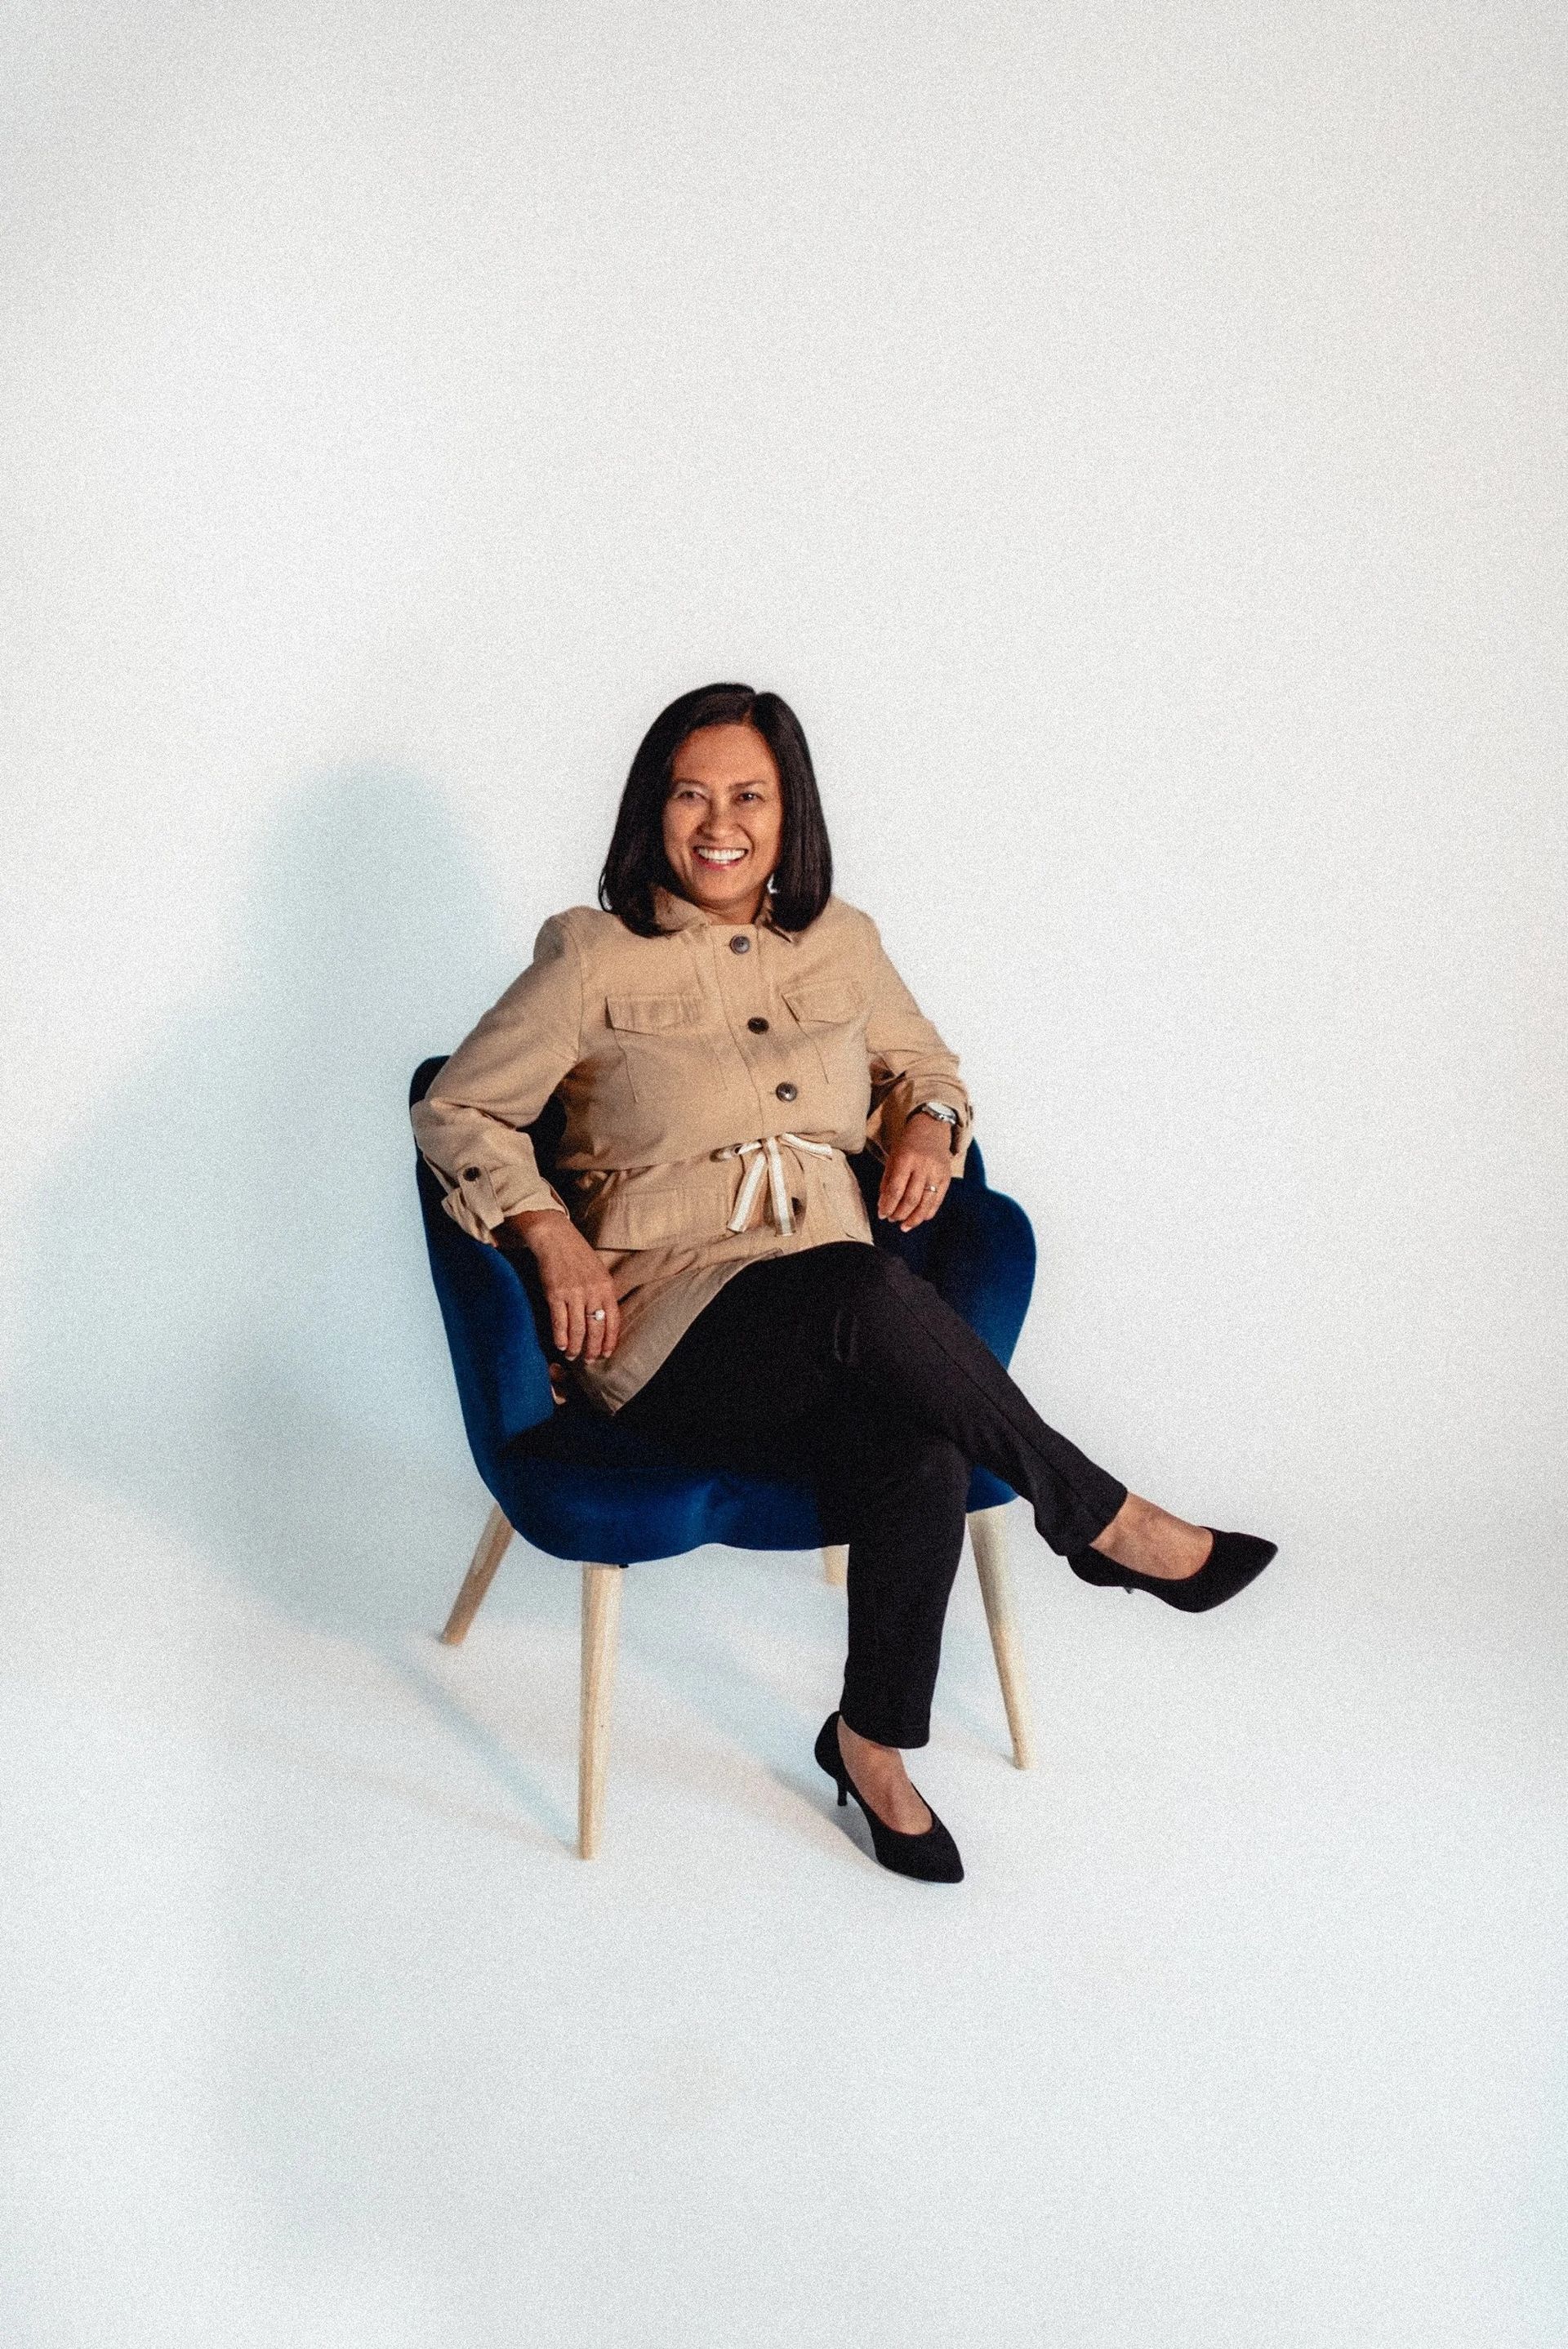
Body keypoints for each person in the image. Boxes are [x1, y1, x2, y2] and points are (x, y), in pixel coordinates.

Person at [411, 683, 1276, 1883]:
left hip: (838, 1322)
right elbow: (455, 1105)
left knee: (917, 1443)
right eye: (694, 794)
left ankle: (868, 1747)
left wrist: (927, 1122)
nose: (722, 822)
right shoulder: (590, 954)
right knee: (864, 1294)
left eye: (750, 796)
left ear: (788, 812)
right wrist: (547, 1232)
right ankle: (1105, 1518)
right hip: (672, 1333)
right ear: (654, 811)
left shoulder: (844, 942)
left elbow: (928, 1068)